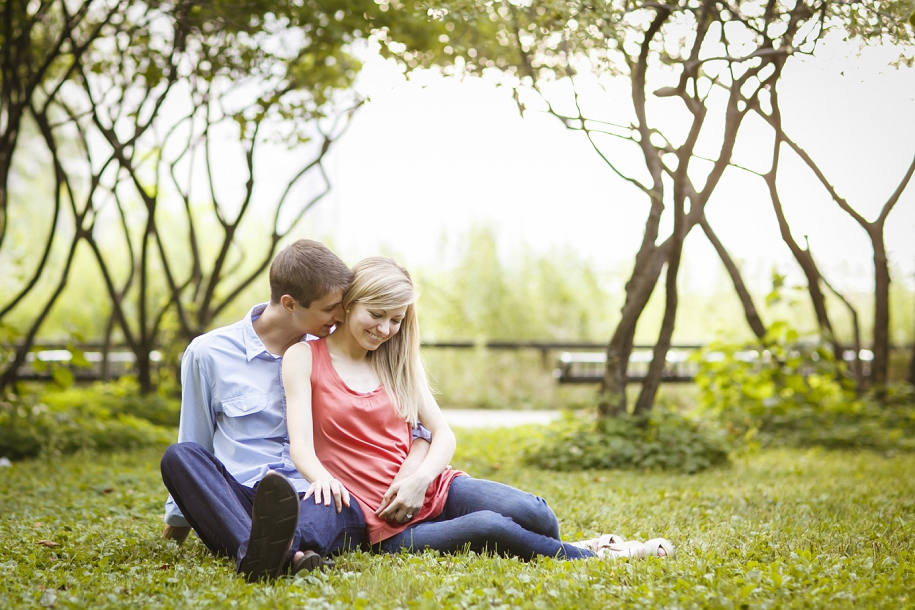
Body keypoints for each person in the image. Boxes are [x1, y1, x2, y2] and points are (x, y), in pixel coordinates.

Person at [283, 256, 673, 562]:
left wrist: (420, 481)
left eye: (396, 320)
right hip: (384, 523)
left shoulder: (395, 359)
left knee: (535, 512)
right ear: (350, 304)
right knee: (490, 527)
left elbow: (442, 433)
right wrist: (322, 479)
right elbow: (300, 446)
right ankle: (595, 556)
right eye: (376, 314)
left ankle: (560, 544)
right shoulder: (303, 357)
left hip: (433, 487)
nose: (385, 330)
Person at [159, 240, 432, 581]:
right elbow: (195, 438)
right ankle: (284, 554)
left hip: (313, 494)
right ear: (290, 303)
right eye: (331, 307)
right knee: (179, 456)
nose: (340, 316)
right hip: (241, 496)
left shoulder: (334, 353)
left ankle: (263, 555)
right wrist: (179, 525)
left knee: (336, 504)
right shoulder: (209, 354)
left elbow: (411, 420)